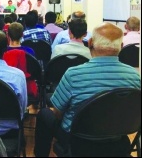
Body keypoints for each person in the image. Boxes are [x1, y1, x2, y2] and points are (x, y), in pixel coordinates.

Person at [34, 22, 141, 157]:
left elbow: (57, 112)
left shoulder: (73, 74)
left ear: (90, 42)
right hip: (117, 137)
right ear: (120, 46)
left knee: (45, 114)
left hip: (77, 139)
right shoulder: (135, 76)